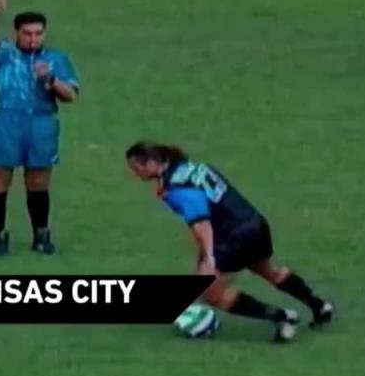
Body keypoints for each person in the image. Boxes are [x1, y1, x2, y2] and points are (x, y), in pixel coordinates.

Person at [125, 142, 334, 342]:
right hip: (255, 223)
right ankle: (319, 306)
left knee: (209, 292)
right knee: (268, 270)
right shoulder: (191, 166)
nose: (135, 174)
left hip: (235, 236)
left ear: (151, 163)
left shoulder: (175, 188)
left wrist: (209, 258)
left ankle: (282, 317)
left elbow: (201, 224)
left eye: (137, 168)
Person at [0, 0, 80, 255]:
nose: (33, 39)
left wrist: (51, 80)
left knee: (38, 182)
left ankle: (41, 235)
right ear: (17, 33)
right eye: (27, 34)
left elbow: (71, 95)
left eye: (38, 33)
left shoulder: (56, 59)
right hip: (6, 121)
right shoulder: (4, 55)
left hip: (41, 123)